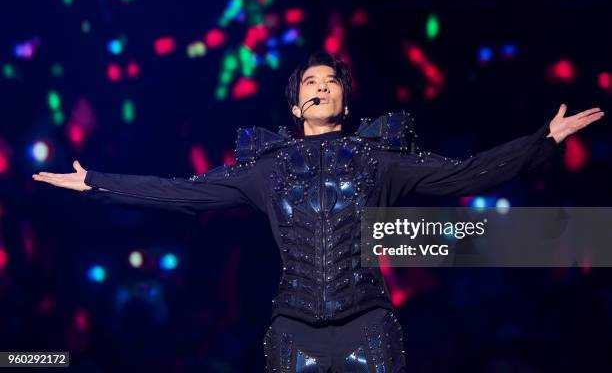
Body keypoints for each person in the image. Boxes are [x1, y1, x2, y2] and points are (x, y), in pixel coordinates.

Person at [33, 51, 604, 372]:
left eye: (332, 82)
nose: (322, 87)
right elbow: (183, 192)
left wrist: (543, 140)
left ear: (346, 102)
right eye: (311, 81)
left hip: (368, 328)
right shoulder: (268, 167)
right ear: (294, 101)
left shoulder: (379, 158)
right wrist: (96, 183)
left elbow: (465, 173)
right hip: (294, 333)